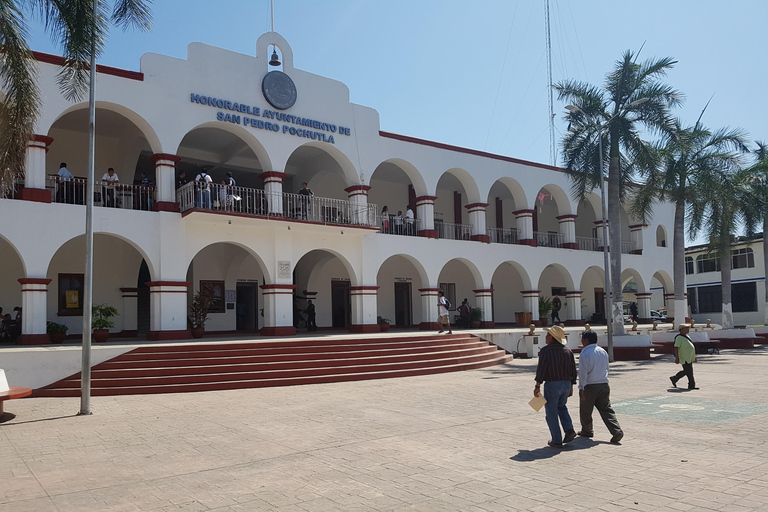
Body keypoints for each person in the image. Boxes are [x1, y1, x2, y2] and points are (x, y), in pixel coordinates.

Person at [533, 325, 577, 448]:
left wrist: (537, 386)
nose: (546, 337)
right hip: (566, 384)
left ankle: (556, 440)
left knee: (551, 412)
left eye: (547, 335)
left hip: (552, 384)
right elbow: (573, 371)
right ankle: (569, 429)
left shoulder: (546, 351)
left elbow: (541, 370)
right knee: (562, 407)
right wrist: (572, 386)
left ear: (552, 337)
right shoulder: (568, 351)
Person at [577, 330, 624, 444]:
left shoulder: (585, 353)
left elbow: (583, 372)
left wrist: (581, 387)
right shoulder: (603, 351)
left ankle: (587, 430)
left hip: (590, 385)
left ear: (586, 340)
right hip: (603, 384)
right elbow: (607, 368)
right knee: (606, 409)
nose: (582, 342)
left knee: (586, 410)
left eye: (582, 339)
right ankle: (616, 430)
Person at [670, 324, 698, 390]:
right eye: (686, 328)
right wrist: (677, 357)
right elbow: (676, 348)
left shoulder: (687, 336)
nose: (688, 330)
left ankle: (674, 378)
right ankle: (691, 385)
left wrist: (694, 357)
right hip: (684, 357)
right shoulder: (679, 337)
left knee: (687, 371)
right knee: (689, 371)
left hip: (689, 357)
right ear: (681, 330)